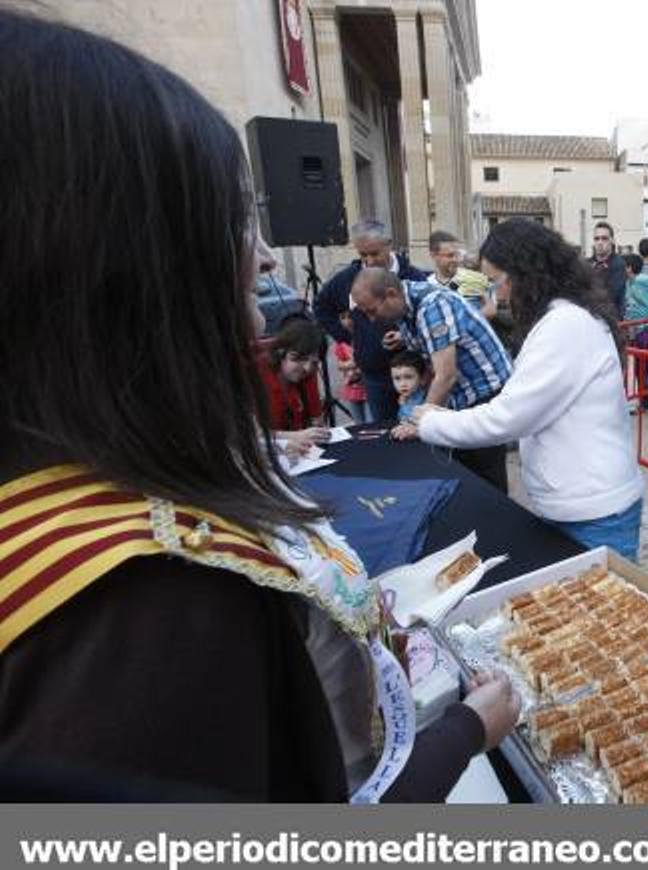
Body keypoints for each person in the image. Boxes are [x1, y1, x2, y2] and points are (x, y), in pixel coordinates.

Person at [0, 11, 518, 801]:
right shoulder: (155, 608)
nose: (267, 257)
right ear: (132, 261)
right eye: (238, 218)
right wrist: (462, 734)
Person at [412, 219, 645, 561]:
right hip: (581, 502)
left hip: (593, 512)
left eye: (497, 282)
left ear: (526, 274)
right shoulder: (564, 315)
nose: (499, 295)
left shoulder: (565, 324)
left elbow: (509, 417)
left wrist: (432, 422)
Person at [351, 268, 514, 493]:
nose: (372, 319)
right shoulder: (405, 308)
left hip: (484, 392)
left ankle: (497, 523)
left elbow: (446, 376)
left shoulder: (432, 305)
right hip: (461, 394)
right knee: (461, 471)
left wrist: (416, 423)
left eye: (372, 310)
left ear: (390, 294)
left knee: (485, 476)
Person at [314, 219, 428, 423]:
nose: (369, 260)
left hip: (413, 374)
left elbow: (428, 322)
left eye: (375, 253)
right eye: (363, 255)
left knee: (417, 430)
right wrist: (349, 339)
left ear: (389, 244)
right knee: (384, 433)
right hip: (375, 377)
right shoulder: (348, 278)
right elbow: (321, 308)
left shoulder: (415, 277)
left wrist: (406, 336)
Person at [257, 317, 331, 450]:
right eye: (299, 359)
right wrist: (295, 436)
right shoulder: (258, 378)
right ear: (280, 353)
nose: (307, 368)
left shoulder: (308, 375)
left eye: (314, 362)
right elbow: (253, 436)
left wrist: (317, 431)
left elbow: (316, 422)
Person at [333, 312, 370, 424]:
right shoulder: (342, 343)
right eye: (343, 318)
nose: (347, 321)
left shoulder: (366, 337)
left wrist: (354, 363)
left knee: (370, 422)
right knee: (358, 423)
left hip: (367, 388)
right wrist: (352, 363)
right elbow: (339, 364)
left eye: (350, 317)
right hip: (351, 387)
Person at [589, 221, 626, 318]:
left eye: (604, 238)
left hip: (611, 321)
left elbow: (611, 295)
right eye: (596, 239)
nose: (600, 242)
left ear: (612, 240)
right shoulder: (587, 264)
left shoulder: (618, 264)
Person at [389, 350, 428, 430]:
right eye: (397, 378)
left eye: (408, 377)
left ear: (422, 379)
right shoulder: (403, 399)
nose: (403, 384)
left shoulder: (427, 399)